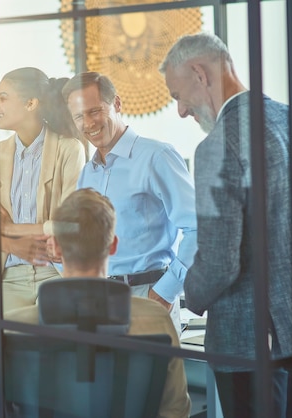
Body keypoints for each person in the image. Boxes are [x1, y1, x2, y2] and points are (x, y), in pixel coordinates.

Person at [160, 32, 292, 417]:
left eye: (176, 96)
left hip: (249, 339)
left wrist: (188, 297)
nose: (181, 111)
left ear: (200, 73)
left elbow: (220, 263)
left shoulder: (217, 145)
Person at [0, 188, 191, 418]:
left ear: (54, 247)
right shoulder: (156, 319)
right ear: (113, 246)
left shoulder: (13, 327)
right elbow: (176, 409)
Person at [60, 71, 197, 333]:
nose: (88, 123)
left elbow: (197, 228)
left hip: (147, 296)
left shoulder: (157, 156)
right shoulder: (88, 173)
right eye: (79, 116)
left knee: (153, 375)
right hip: (99, 301)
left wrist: (164, 293)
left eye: (95, 111)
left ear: (117, 104)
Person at [0, 67, 85, 320]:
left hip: (55, 274)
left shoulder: (69, 150)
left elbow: (67, 226)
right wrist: (14, 245)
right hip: (8, 277)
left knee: (52, 355)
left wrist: (9, 227)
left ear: (31, 103)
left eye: (2, 97)